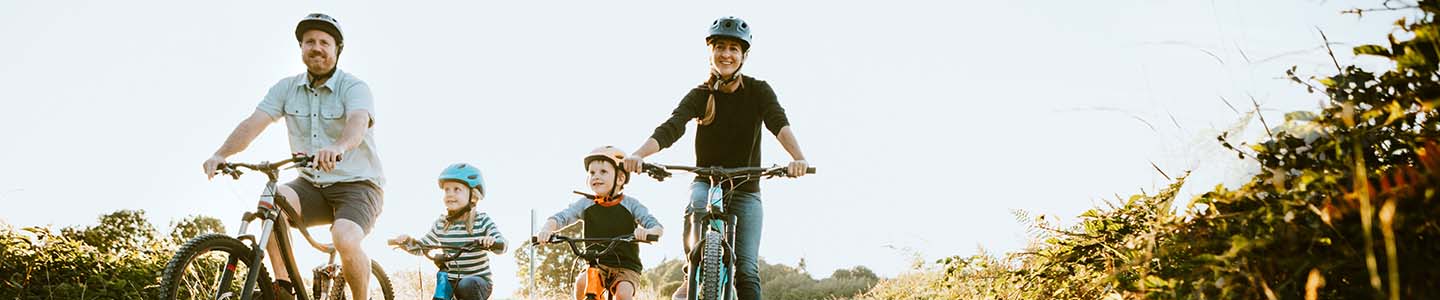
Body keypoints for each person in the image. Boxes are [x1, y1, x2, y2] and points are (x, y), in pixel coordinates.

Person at [619, 16, 809, 300]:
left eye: (734, 49)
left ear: (744, 56)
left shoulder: (758, 91)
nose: (727, 54)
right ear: (711, 52)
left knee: (745, 270)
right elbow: (672, 127)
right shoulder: (700, 94)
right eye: (720, 47)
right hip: (706, 183)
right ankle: (692, 272)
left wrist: (798, 158)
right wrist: (638, 154)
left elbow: (777, 122)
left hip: (746, 189)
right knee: (696, 201)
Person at [200, 13, 384, 300]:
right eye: (309, 41)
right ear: (301, 48)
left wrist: (337, 147)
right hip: (311, 184)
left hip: (358, 184)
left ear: (337, 50)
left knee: (345, 237)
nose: (317, 47)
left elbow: (357, 123)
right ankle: (284, 288)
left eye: (325, 42)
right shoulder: (286, 88)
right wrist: (221, 153)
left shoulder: (354, 87)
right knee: (271, 202)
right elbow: (253, 123)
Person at [537, 146, 664, 300]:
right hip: (597, 264)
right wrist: (547, 229)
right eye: (592, 173)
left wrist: (647, 232)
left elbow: (657, 227)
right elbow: (561, 217)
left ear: (620, 178)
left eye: (603, 172)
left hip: (626, 267)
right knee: (581, 283)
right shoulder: (585, 204)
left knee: (623, 294)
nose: (596, 176)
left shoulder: (631, 205)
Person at [390, 163, 505, 300]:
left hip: (477, 283)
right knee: (441, 292)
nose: (450, 194)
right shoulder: (441, 224)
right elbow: (422, 246)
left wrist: (492, 241)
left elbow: (502, 244)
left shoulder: (481, 221)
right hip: (451, 281)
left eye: (457, 189)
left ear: (473, 196)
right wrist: (407, 242)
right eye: (446, 190)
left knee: (466, 285)